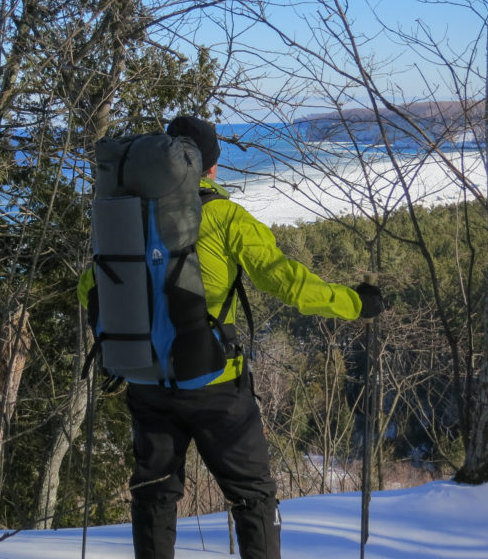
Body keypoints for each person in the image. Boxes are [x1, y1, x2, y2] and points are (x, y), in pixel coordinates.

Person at [78, 115, 383, 559]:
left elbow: (90, 287)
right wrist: (356, 303)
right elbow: (289, 283)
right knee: (253, 495)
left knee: (154, 494)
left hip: (145, 380)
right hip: (214, 383)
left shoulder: (127, 218)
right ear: (211, 167)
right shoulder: (224, 217)